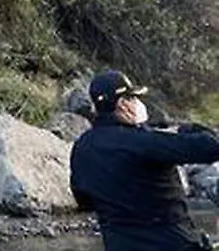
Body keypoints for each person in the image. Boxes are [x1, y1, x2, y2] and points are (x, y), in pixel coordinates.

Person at [70, 70, 219, 251]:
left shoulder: (82, 147)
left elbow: (84, 199)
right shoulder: (143, 142)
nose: (138, 103)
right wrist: (188, 129)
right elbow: (210, 147)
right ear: (123, 105)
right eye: (133, 98)